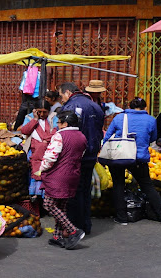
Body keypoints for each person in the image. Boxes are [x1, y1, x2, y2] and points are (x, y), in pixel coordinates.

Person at [105, 98, 161, 225]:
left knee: (118, 185)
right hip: (139, 158)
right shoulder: (151, 120)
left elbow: (108, 136)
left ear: (129, 106)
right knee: (147, 186)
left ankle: (121, 218)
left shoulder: (120, 118)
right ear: (145, 107)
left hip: (119, 156)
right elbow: (153, 137)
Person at [34, 110, 87, 250]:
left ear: (65, 123)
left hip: (58, 176)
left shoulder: (60, 136)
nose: (57, 124)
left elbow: (51, 157)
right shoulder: (82, 136)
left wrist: (42, 168)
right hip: (73, 174)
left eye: (59, 122)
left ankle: (73, 230)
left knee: (49, 204)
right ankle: (58, 236)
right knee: (61, 206)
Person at [58, 82, 104, 235]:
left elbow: (68, 133)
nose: (61, 99)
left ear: (68, 92)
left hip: (76, 156)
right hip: (91, 154)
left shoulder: (72, 107)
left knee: (74, 192)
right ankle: (85, 225)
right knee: (85, 190)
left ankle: (74, 227)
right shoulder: (96, 106)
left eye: (61, 95)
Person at [21, 100, 56, 198]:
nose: (42, 114)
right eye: (39, 111)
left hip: (49, 150)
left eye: (44, 112)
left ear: (49, 111)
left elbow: (56, 131)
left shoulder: (53, 117)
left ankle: (44, 196)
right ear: (35, 111)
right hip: (33, 151)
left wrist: (45, 141)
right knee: (33, 169)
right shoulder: (29, 117)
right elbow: (25, 130)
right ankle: (34, 193)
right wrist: (35, 120)